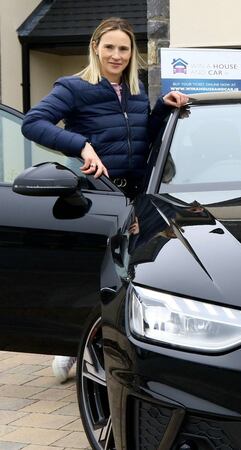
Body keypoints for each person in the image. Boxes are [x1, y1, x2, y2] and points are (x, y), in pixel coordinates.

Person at [21, 17, 189, 382]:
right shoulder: (74, 87)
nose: (117, 55)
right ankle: (73, 347)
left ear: (133, 54)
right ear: (96, 47)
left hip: (138, 195)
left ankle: (124, 347)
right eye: (110, 47)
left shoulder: (136, 88)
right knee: (97, 276)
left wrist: (162, 108)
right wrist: (80, 144)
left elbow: (144, 136)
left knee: (133, 275)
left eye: (124, 48)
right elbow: (33, 123)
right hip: (100, 196)